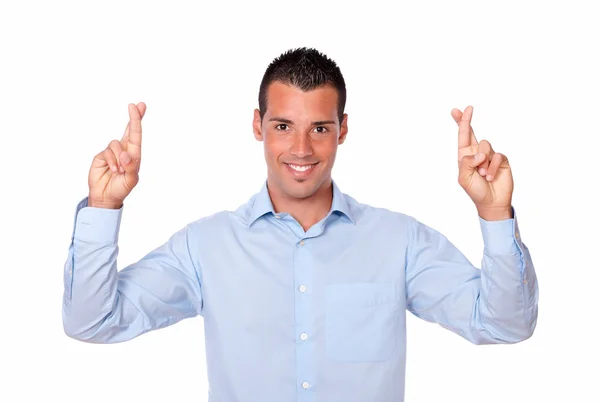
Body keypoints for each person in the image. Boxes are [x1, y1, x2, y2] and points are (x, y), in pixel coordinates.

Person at [62, 47, 538, 402]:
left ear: (343, 130)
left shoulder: (400, 242)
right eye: (284, 126)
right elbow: (93, 322)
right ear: (258, 126)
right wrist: (103, 208)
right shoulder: (204, 247)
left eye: (321, 129)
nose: (302, 150)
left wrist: (494, 214)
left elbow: (504, 325)